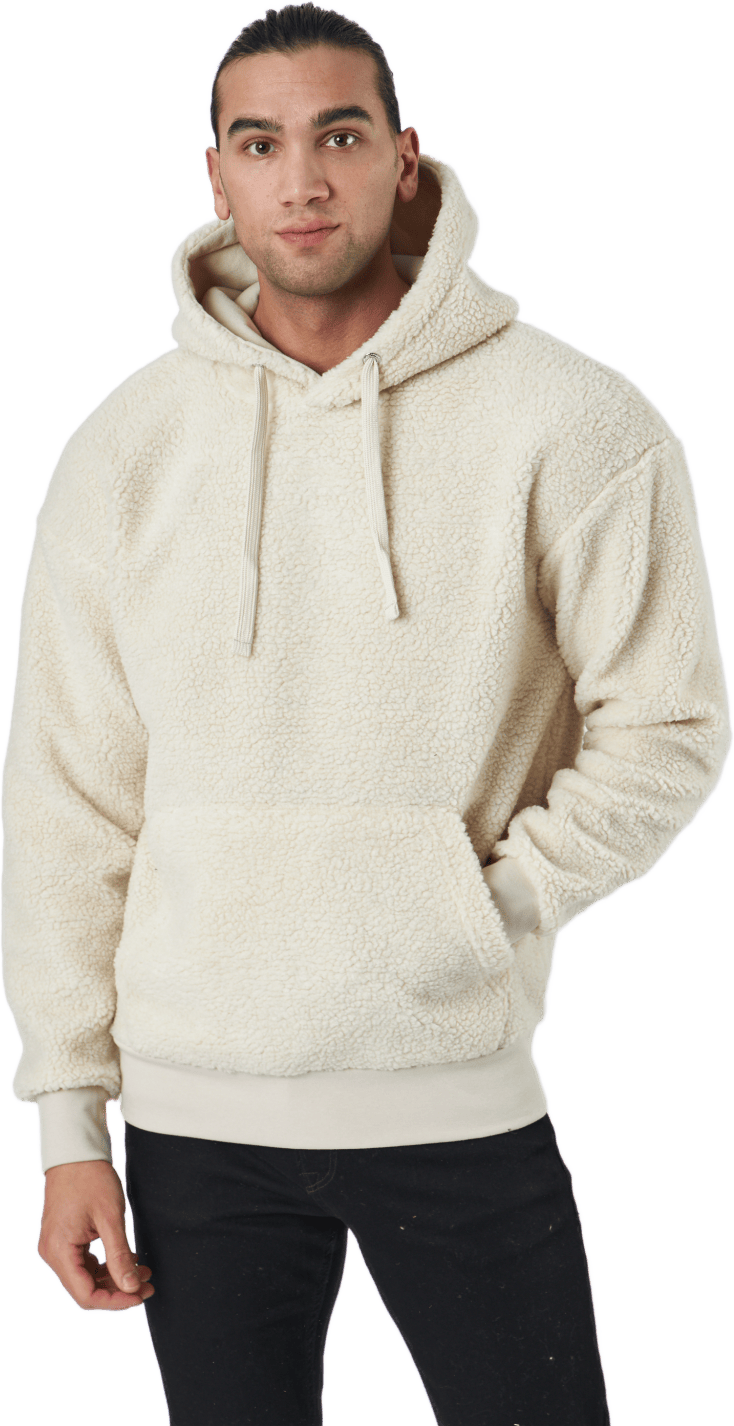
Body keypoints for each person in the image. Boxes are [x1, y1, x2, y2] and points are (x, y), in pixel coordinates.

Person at [1, 2, 731, 1423]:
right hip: (190, 1120)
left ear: (405, 157)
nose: (302, 181)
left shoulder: (574, 421)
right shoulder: (123, 449)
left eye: (338, 137)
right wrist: (67, 1122)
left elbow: (669, 727)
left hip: (453, 1095)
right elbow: (68, 794)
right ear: (215, 175)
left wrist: (478, 907)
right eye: (259, 144)